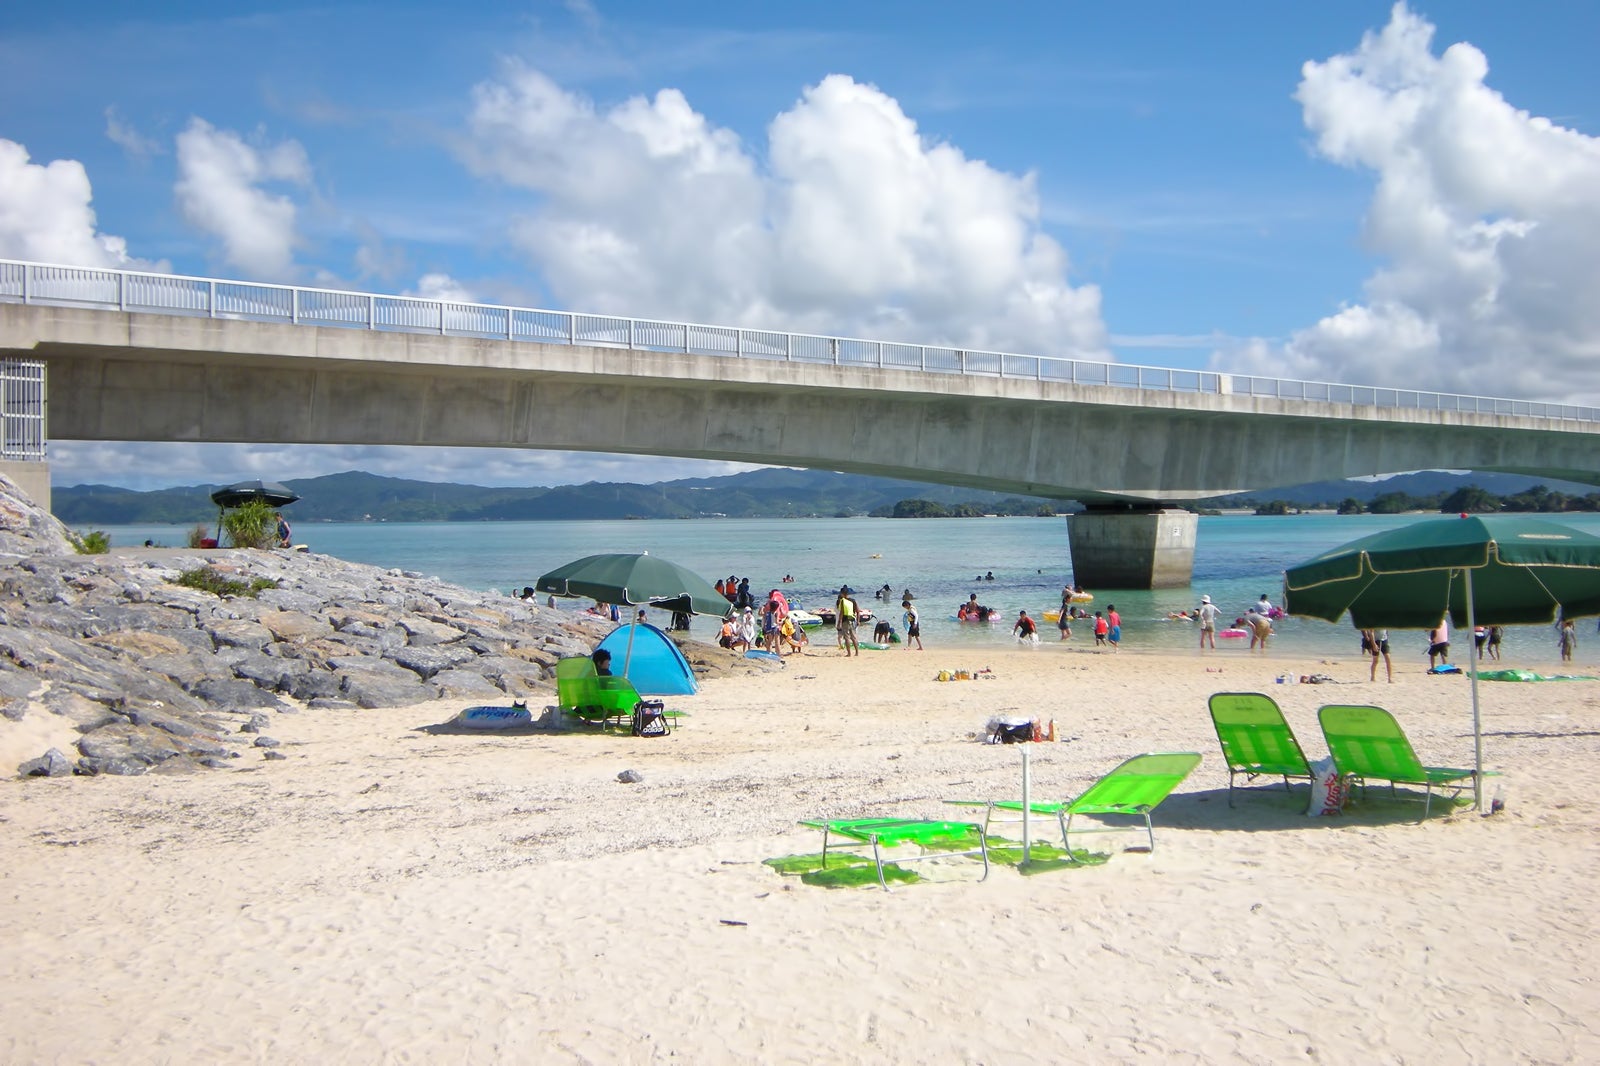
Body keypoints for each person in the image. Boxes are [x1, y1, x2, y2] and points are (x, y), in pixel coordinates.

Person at [835, 585, 859, 656]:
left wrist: (839, 622)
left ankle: (849, 653)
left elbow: (841, 612)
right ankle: (857, 652)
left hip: (845, 620)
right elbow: (858, 611)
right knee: (853, 637)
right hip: (852, 619)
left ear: (842, 593)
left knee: (846, 637)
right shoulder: (853, 601)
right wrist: (858, 620)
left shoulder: (843, 601)